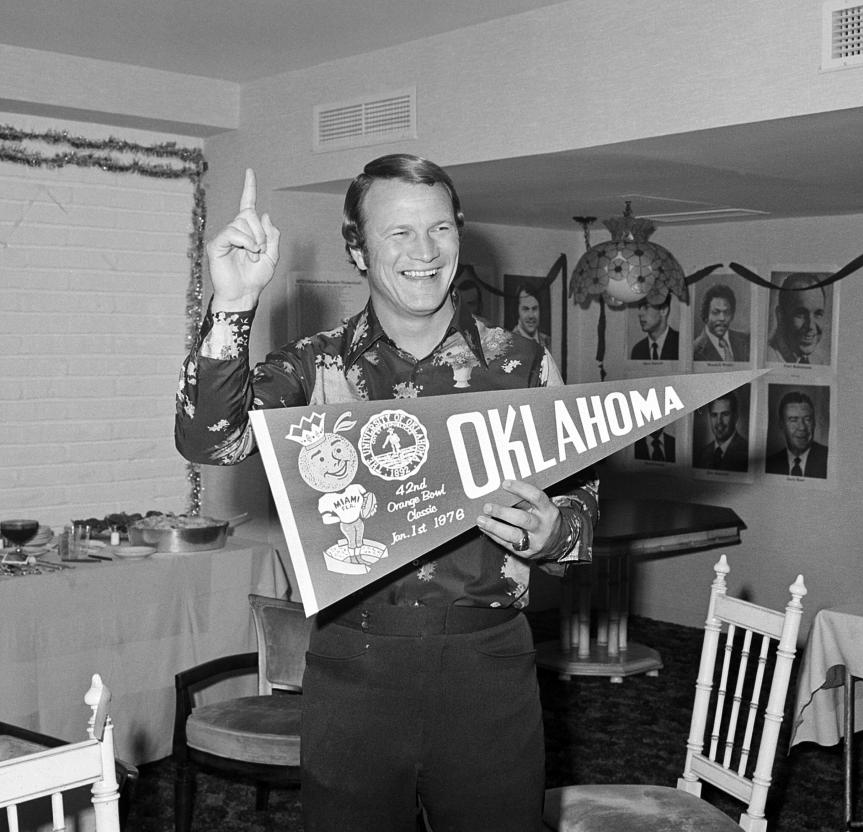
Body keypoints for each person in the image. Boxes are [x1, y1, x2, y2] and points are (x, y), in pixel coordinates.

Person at [174, 154, 598, 832]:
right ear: (357, 249)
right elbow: (211, 442)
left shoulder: (523, 364)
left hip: (489, 669)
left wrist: (554, 533)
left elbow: (581, 511)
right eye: (398, 233)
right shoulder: (315, 365)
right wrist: (233, 303)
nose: (424, 252)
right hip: (353, 671)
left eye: (440, 229)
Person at [767, 273, 828, 364]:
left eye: (818, 314)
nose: (810, 326)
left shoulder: (818, 362)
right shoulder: (768, 359)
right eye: (801, 314)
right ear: (780, 316)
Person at [765, 390, 828, 478]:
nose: (802, 427)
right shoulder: (769, 464)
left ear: (814, 423)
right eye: (793, 420)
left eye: (807, 419)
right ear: (781, 425)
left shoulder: (830, 458)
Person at [692, 283, 750, 362]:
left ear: (732, 315)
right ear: (705, 315)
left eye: (726, 312)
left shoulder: (747, 340)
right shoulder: (693, 350)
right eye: (716, 312)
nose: (722, 318)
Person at [694, 393, 749, 472]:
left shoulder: (747, 451)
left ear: (735, 417)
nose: (719, 422)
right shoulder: (702, 454)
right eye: (714, 415)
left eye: (725, 414)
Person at [630, 294, 678, 360]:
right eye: (639, 308)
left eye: (646, 307)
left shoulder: (681, 344)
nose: (640, 313)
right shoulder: (637, 350)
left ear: (663, 310)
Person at [512, 284, 551, 349]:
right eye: (525, 309)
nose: (531, 316)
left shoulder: (549, 342)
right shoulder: (508, 345)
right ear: (517, 311)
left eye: (534, 308)